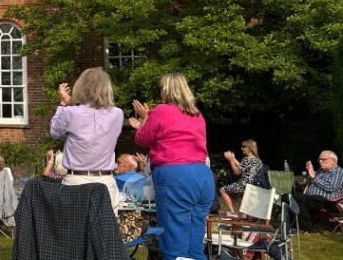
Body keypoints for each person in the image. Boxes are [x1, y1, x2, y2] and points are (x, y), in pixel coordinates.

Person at [129, 73, 214, 260]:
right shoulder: (197, 115)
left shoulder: (161, 110)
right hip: (202, 176)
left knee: (174, 244)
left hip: (176, 176)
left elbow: (142, 138)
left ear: (166, 90)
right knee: (195, 245)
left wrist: (144, 121)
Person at [49, 67, 124, 212]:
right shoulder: (117, 114)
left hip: (76, 181)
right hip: (105, 180)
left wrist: (64, 104)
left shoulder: (70, 113)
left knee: (75, 232)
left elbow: (55, 132)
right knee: (106, 233)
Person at [292, 150, 343, 230]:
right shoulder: (320, 171)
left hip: (329, 202)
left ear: (333, 161)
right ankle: (289, 224)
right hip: (314, 199)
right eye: (319, 159)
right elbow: (310, 183)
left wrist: (313, 176)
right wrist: (310, 172)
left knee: (300, 198)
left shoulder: (339, 172)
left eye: (323, 159)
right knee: (289, 197)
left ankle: (304, 228)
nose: (320, 161)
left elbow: (331, 187)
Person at [219, 139, 264, 217]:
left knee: (222, 190)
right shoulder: (258, 161)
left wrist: (230, 160)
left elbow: (237, 172)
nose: (242, 148)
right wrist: (233, 158)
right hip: (253, 186)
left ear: (250, 148)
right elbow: (242, 167)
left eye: (244, 147)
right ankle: (244, 215)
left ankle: (232, 213)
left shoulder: (246, 159)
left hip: (244, 185)